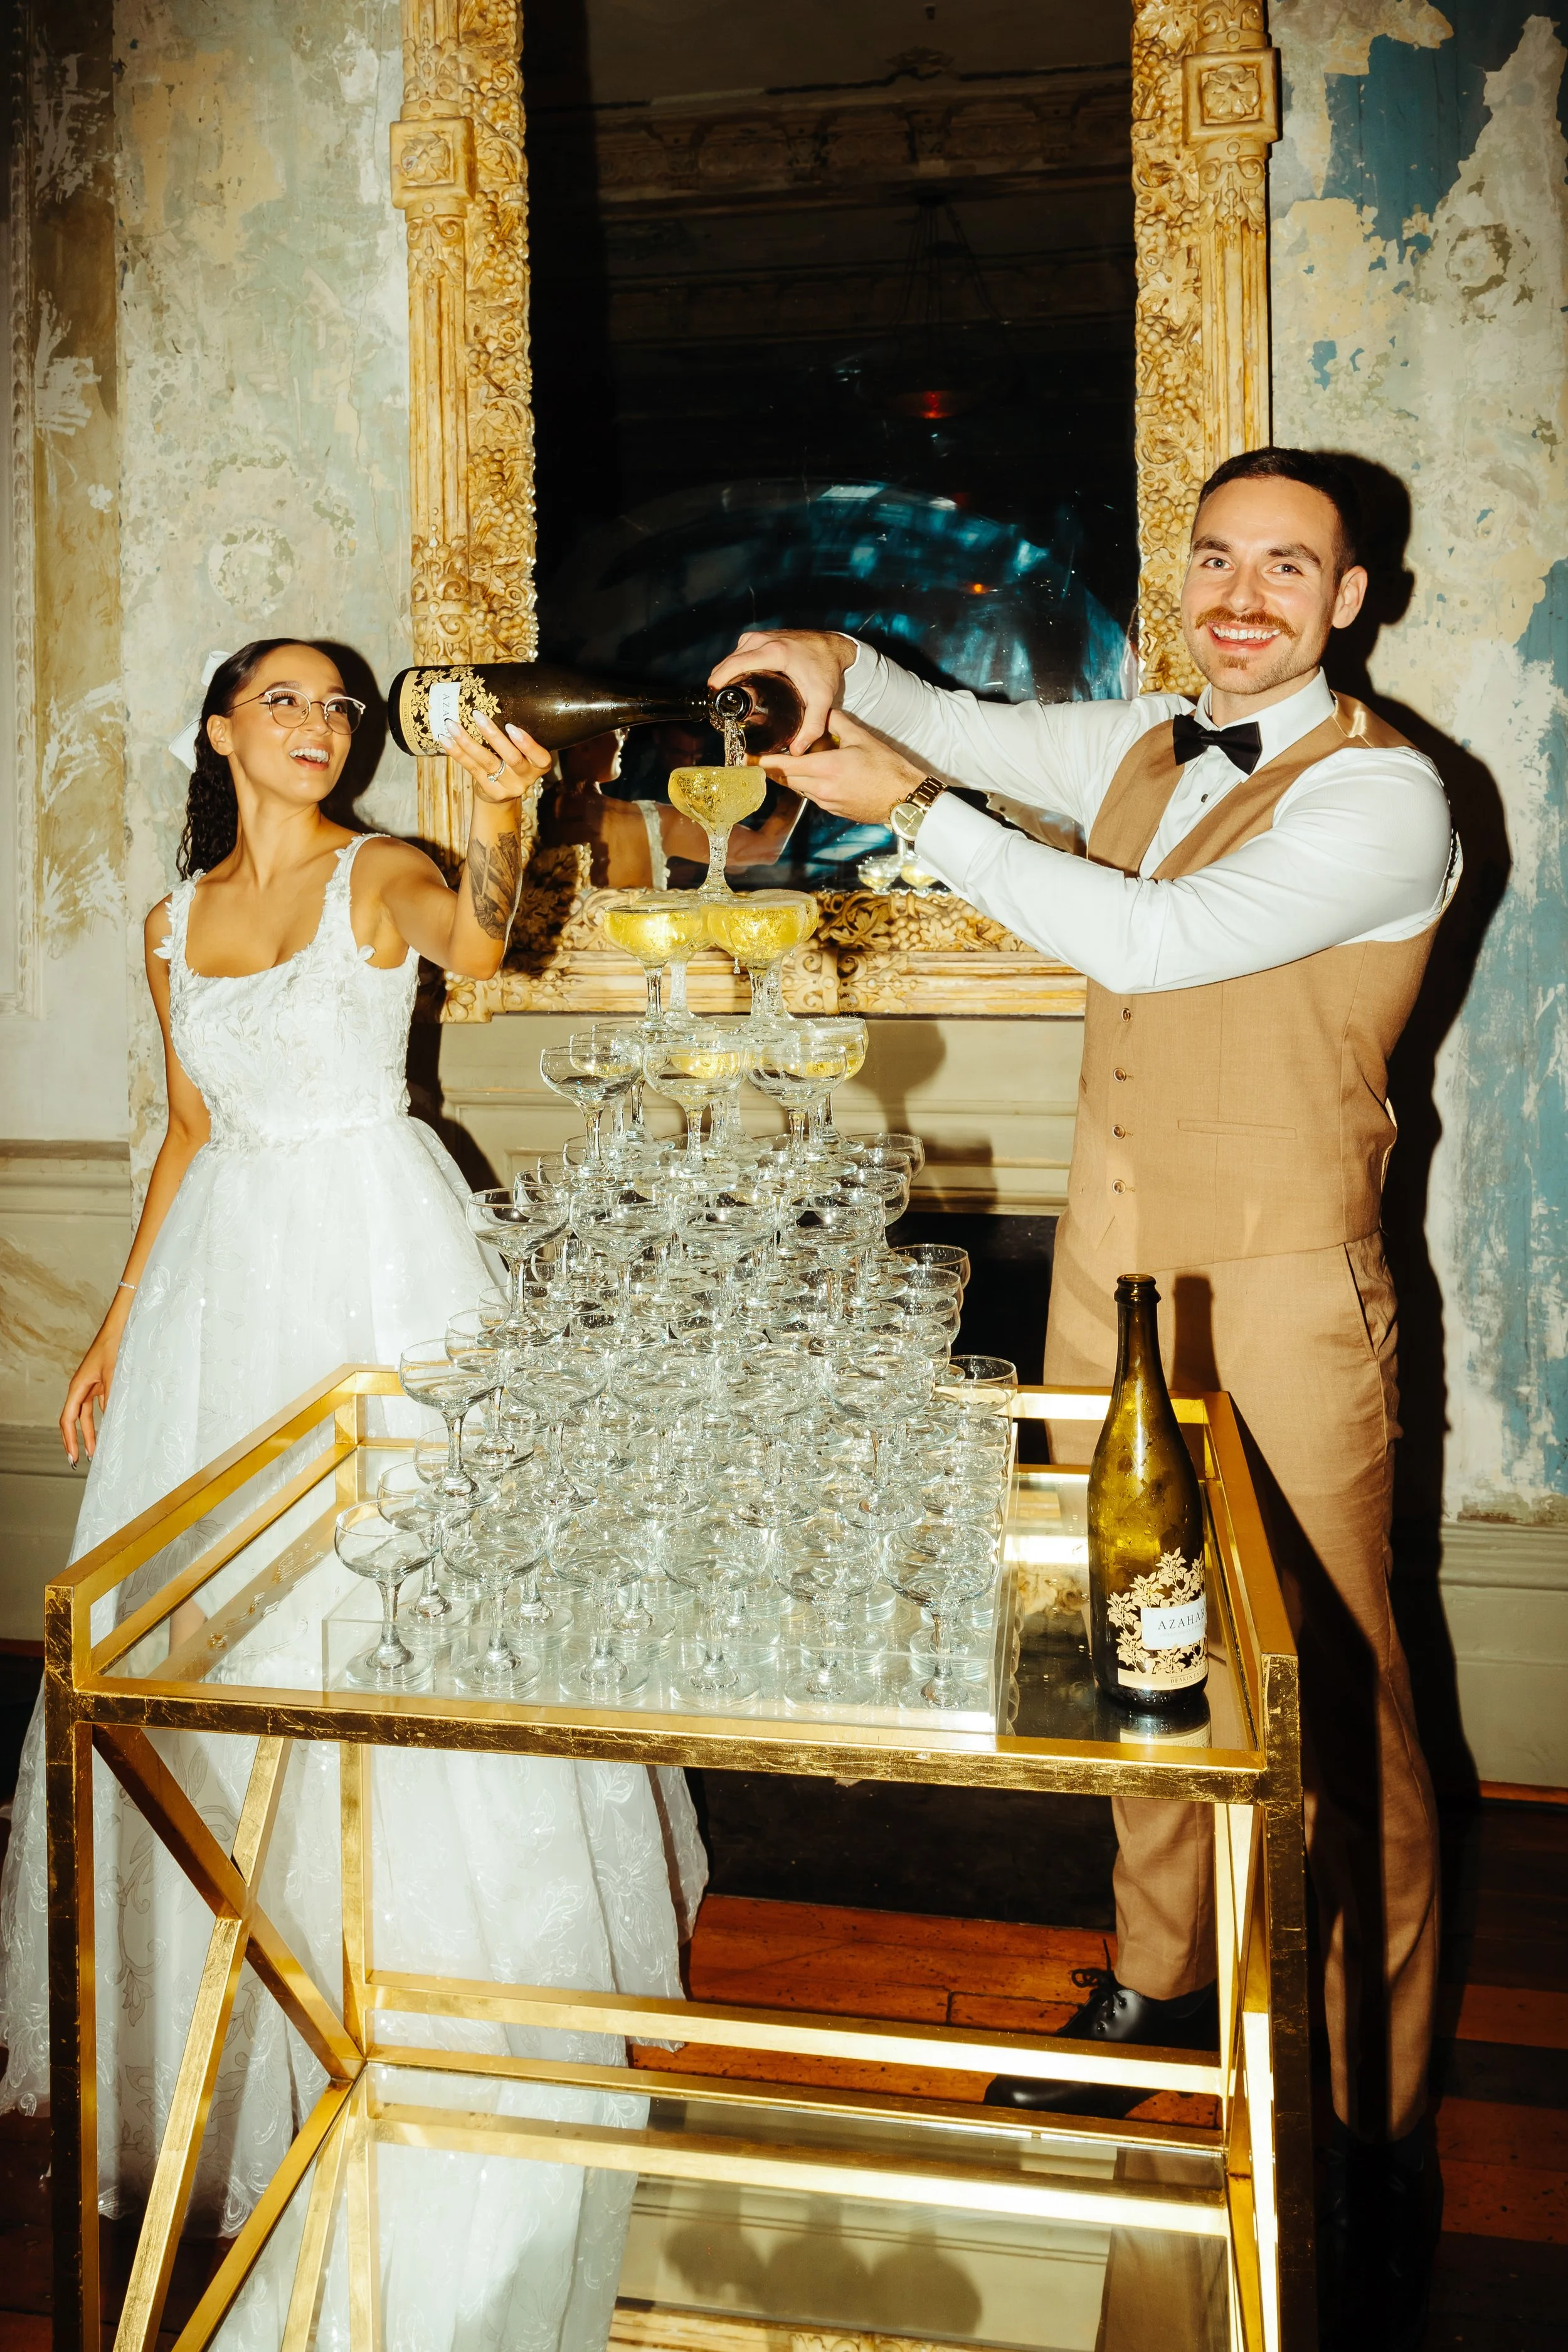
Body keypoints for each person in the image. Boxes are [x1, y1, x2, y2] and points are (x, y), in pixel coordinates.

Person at [712, 447, 1456, 2348]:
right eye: (1214, 559)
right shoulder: (1140, 738)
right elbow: (946, 713)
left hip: (1282, 1298)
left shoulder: (1381, 793)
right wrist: (821, 657)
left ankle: (1371, 2115)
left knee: (1336, 1704)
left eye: (1284, 567)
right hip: (1105, 1281)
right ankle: (1154, 1973)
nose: (1239, 595)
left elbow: (1146, 939)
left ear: (1348, 599)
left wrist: (914, 808)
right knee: (1127, 1646)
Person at [0, 639, 705, 2319]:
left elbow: (488, 938)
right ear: (219, 729)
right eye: (286, 702)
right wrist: (115, 1322)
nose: (320, 725)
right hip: (221, 1290)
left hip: (380, 1266)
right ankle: (258, 2004)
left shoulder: (379, 871)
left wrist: (508, 816)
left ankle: (438, 1986)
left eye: (338, 706)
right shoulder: (171, 922)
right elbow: (189, 1126)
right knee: (221, 1637)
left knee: (397, 1608)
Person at [536, 726, 805, 887]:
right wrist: (798, 774)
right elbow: (765, 848)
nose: (625, 737)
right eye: (618, 729)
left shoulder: (531, 812)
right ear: (584, 745)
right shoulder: (653, 821)